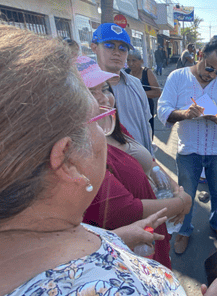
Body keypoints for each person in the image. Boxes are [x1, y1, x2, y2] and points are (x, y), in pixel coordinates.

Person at [0, 24, 217, 296]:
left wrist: (112, 239)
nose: (108, 120)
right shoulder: (122, 293)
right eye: (99, 120)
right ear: (66, 159)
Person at [77, 55, 190, 269]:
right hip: (131, 252)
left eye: (105, 89)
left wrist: (175, 189)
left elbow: (148, 159)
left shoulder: (110, 125)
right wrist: (182, 204)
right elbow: (127, 209)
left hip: (155, 227)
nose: (104, 98)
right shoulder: (83, 153)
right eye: (91, 92)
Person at [158, 38, 217, 255]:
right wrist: (184, 114)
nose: (212, 75)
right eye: (209, 68)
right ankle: (184, 229)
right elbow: (163, 109)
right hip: (189, 149)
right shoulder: (178, 77)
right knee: (186, 193)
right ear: (200, 55)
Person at [91, 23, 154, 154]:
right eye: (109, 46)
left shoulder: (136, 84)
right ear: (94, 47)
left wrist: (150, 157)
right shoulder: (87, 87)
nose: (116, 53)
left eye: (122, 48)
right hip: (110, 165)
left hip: (141, 162)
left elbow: (146, 124)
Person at [125, 50, 162, 139]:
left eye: (134, 60)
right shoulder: (125, 73)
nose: (131, 63)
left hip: (146, 109)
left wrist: (138, 93)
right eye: (128, 60)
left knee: (147, 134)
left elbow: (157, 92)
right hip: (129, 110)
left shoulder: (147, 72)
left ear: (141, 61)